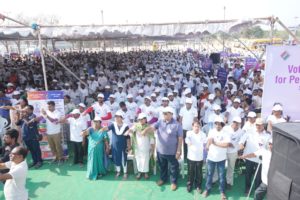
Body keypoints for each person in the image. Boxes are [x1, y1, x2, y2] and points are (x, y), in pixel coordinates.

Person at [142, 106, 183, 191]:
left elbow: (180, 138)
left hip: (172, 152)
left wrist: (179, 150)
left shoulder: (177, 124)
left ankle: (173, 182)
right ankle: (163, 179)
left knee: (173, 168)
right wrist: (146, 130)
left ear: (171, 114)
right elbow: (153, 128)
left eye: (166, 113)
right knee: (162, 166)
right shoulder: (160, 122)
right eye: (163, 113)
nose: (164, 115)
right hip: (161, 151)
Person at [239, 118, 270, 195]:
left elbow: (268, 148)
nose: (258, 126)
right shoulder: (249, 132)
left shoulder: (267, 135)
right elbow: (241, 141)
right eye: (257, 124)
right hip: (249, 157)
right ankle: (247, 189)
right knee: (248, 174)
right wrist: (241, 145)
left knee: (258, 177)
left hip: (260, 160)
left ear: (263, 125)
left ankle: (257, 191)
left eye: (260, 125)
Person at [203, 116, 230, 200]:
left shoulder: (226, 133)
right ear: (214, 124)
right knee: (209, 174)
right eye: (216, 124)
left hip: (221, 159)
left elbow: (226, 145)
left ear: (222, 125)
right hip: (211, 158)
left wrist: (215, 143)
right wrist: (207, 146)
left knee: (222, 176)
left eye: (219, 124)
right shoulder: (211, 131)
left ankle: (222, 192)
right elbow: (209, 140)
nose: (218, 125)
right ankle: (207, 189)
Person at [125, 113, 155, 180]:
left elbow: (152, 137)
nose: (141, 120)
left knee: (146, 159)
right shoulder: (136, 126)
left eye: (142, 119)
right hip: (137, 146)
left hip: (146, 146)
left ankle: (146, 173)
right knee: (138, 159)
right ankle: (139, 172)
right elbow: (131, 130)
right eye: (139, 119)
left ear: (145, 119)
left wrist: (152, 147)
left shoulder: (149, 127)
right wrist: (128, 131)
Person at [104, 111, 130, 179]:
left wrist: (129, 146)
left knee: (123, 158)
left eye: (118, 117)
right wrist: (101, 129)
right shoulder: (113, 125)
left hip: (123, 146)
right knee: (116, 158)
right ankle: (118, 171)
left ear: (122, 118)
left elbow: (128, 137)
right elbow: (107, 129)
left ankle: (125, 172)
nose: (117, 118)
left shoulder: (125, 126)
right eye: (116, 117)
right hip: (115, 146)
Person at [81, 116, 109, 180]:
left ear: (100, 122)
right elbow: (85, 132)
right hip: (91, 149)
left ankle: (100, 172)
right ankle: (91, 173)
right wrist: (83, 133)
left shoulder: (103, 129)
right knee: (92, 160)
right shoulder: (90, 129)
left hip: (100, 149)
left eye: (97, 122)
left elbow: (106, 139)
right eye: (95, 122)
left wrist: (107, 147)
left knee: (99, 160)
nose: (96, 123)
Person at [185, 121, 206, 193]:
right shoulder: (189, 133)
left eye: (198, 126)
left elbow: (205, 145)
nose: (196, 128)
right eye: (195, 126)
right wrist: (189, 142)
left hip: (200, 157)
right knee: (190, 172)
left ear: (200, 127)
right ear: (192, 126)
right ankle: (189, 185)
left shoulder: (203, 134)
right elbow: (187, 139)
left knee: (199, 172)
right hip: (191, 157)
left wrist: (205, 157)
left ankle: (198, 186)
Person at [223, 116, 244, 189]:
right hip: (223, 151)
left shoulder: (241, 131)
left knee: (231, 168)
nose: (237, 124)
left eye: (238, 123)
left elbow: (241, 142)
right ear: (233, 122)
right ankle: (215, 180)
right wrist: (227, 143)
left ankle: (229, 182)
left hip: (234, 152)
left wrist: (239, 150)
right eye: (235, 122)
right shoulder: (225, 128)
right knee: (220, 166)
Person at [41, 101, 64, 165]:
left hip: (56, 132)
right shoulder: (47, 112)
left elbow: (54, 121)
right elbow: (42, 119)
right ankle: (55, 157)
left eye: (50, 106)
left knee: (58, 146)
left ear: (54, 106)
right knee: (52, 147)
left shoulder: (58, 113)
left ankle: (61, 159)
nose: (48, 108)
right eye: (48, 107)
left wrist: (46, 115)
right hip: (48, 132)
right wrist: (42, 113)